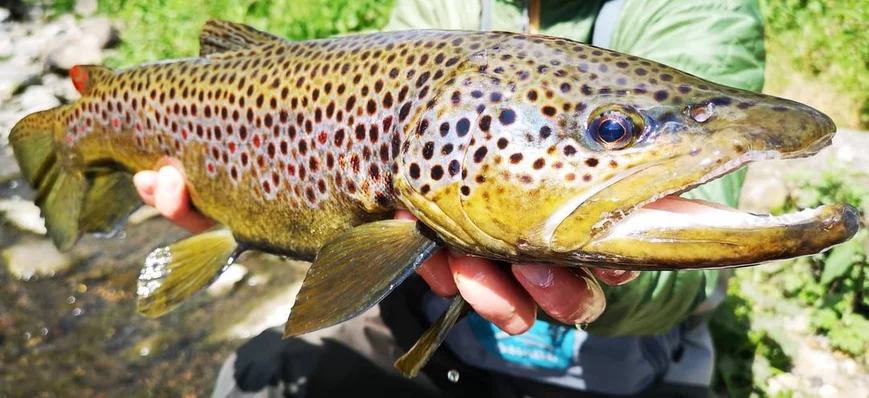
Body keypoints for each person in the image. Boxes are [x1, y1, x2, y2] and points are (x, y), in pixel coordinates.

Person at [133, 0, 765, 396]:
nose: (612, 137)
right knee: (257, 378)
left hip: (623, 358)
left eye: (613, 130)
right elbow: (352, 201)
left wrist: (603, 275)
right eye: (611, 131)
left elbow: (694, 253)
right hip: (424, 309)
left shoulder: (699, 11)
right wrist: (240, 214)